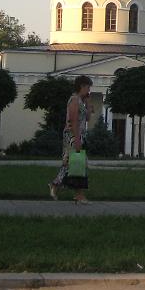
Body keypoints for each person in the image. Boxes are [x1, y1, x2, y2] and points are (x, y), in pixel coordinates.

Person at [49, 75, 93, 204]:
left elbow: (88, 118)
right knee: (78, 163)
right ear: (82, 86)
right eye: (88, 87)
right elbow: (73, 120)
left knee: (72, 164)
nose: (89, 90)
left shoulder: (81, 100)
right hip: (73, 136)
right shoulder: (74, 100)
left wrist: (89, 104)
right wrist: (77, 140)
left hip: (79, 135)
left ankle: (56, 185)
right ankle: (78, 194)